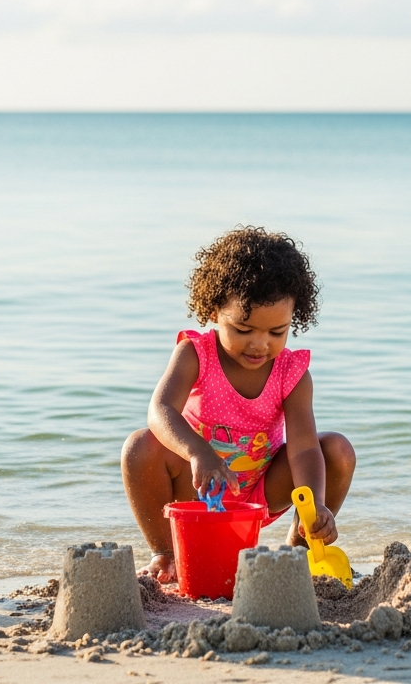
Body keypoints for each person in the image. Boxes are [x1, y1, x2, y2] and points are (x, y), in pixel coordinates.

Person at [122, 226, 356, 584]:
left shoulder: (291, 372)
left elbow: (305, 448)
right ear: (215, 311)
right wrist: (199, 451)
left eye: (277, 332)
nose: (260, 344)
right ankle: (167, 553)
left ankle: (301, 546)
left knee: (337, 450)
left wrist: (317, 504)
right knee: (139, 446)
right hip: (199, 486)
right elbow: (160, 410)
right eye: (244, 329)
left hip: (261, 489)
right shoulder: (195, 354)